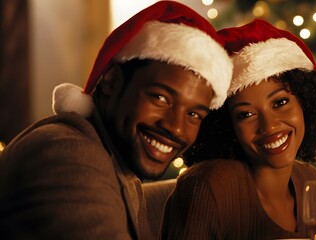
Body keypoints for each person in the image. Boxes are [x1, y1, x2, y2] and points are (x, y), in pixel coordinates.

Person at [0, 1, 232, 239]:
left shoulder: (111, 157)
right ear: (111, 81)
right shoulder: (70, 156)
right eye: (160, 98)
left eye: (193, 114)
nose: (175, 127)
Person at [161, 19, 316, 239]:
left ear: (306, 103)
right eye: (246, 114)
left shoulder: (310, 180)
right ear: (226, 125)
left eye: (279, 103)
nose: (268, 125)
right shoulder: (207, 188)